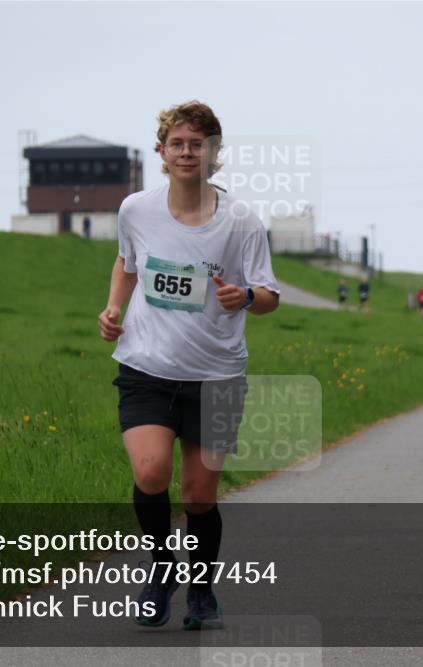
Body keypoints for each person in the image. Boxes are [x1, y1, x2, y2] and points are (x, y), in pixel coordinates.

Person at [98, 101, 280, 630]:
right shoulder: (136, 209)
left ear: (214, 154)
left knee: (200, 495)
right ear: (161, 152)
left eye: (197, 144)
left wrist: (244, 296)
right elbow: (127, 262)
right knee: (150, 471)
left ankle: (201, 589)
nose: (186, 152)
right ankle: (160, 570)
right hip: (147, 366)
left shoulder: (241, 220)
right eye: (177, 143)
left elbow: (269, 295)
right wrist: (112, 307)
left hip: (217, 374)